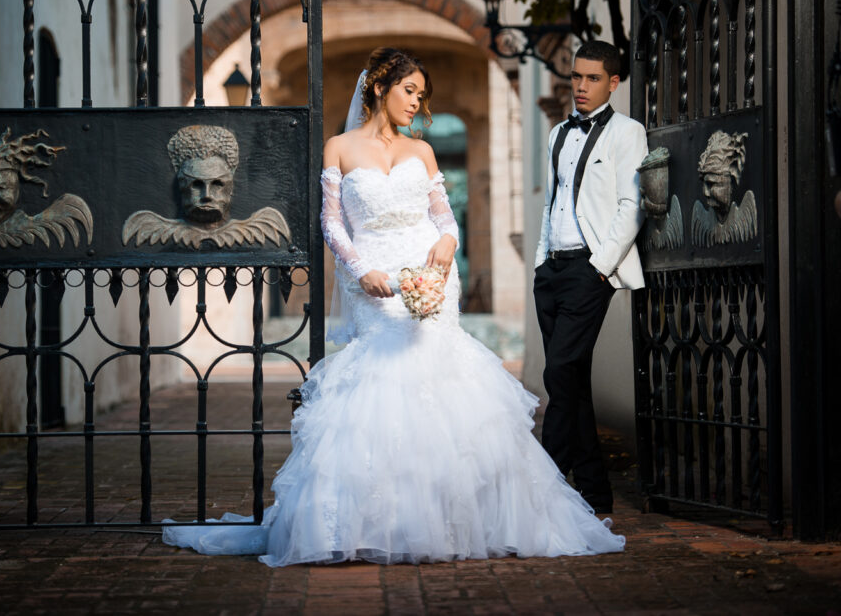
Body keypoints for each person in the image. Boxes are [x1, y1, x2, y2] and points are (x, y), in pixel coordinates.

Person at [164, 47, 625, 566]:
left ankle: (462, 517)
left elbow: (444, 219)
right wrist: (361, 271)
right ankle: (383, 520)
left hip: (429, 278)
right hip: (375, 280)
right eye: (410, 91)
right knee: (381, 387)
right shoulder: (338, 148)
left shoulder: (423, 152)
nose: (416, 103)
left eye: (422, 95)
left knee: (442, 384)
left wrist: (448, 246)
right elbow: (333, 223)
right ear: (380, 88)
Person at [532, 41, 647, 514]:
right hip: (552, 270)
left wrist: (600, 267)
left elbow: (632, 204)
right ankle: (596, 491)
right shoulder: (559, 132)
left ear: (613, 82)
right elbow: (554, 201)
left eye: (592, 78)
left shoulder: (627, 132)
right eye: (576, 77)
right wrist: (541, 258)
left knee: (558, 370)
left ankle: (543, 486)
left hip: (589, 269)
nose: (580, 86)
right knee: (572, 380)